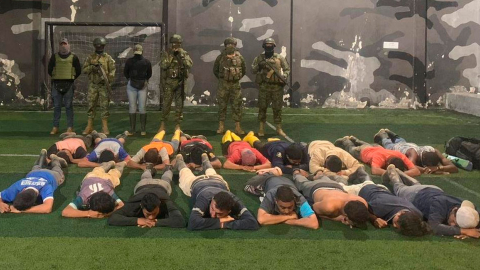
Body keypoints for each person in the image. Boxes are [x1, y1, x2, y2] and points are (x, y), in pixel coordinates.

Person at [382, 164, 479, 238]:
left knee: (416, 185)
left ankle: (400, 172)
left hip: (434, 190)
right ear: (454, 211)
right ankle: (392, 172)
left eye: (456, 225)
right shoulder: (439, 206)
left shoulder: (468, 210)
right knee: (400, 189)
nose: (453, 225)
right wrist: (462, 231)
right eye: (454, 221)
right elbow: (434, 227)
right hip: (416, 195)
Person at [175, 153, 259, 230]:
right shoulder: (205, 198)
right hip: (196, 182)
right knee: (184, 172)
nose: (212, 215)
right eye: (212, 208)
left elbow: (252, 223)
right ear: (212, 200)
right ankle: (180, 160)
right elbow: (192, 224)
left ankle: (205, 159)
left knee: (210, 170)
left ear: (229, 210)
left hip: (217, 180)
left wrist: (223, 224)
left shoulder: (234, 201)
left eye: (219, 214)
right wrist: (220, 222)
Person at [340, 173, 431, 237]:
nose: (394, 226)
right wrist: (374, 218)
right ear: (401, 213)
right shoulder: (380, 207)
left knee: (368, 181)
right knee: (338, 187)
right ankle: (343, 176)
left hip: (382, 190)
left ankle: (362, 173)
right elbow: (360, 208)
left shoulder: (417, 215)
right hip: (362, 191)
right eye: (395, 223)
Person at [108, 165, 185, 228]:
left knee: (166, 179)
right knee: (149, 178)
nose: (151, 218)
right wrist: (138, 220)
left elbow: (180, 221)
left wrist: (156, 222)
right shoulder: (134, 204)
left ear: (159, 204)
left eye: (154, 213)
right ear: (141, 205)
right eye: (148, 214)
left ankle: (165, 169)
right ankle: (153, 169)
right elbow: (112, 218)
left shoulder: (165, 203)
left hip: (161, 185)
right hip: (143, 185)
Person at [291, 168, 371, 228]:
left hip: (335, 185)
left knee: (323, 178)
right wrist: (337, 218)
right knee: (301, 182)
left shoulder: (362, 202)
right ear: (346, 216)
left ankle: (319, 173)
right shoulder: (329, 207)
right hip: (316, 187)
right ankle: (296, 171)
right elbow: (312, 209)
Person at [243, 168, 318, 229]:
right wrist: (289, 216)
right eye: (282, 207)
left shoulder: (298, 198)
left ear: (294, 200)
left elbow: (314, 223)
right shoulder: (271, 195)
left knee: (277, 172)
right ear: (275, 201)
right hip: (265, 180)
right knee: (247, 187)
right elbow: (261, 219)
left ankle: (275, 171)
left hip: (285, 180)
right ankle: (269, 172)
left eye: (290, 207)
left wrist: (291, 221)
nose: (286, 211)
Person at [0, 149, 67, 214]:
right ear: (23, 190)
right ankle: (50, 159)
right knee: (43, 168)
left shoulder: (45, 187)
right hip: (37, 174)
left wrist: (22, 210)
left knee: (58, 171)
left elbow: (47, 208)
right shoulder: (18, 186)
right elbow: (47, 207)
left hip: (44, 174)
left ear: (23, 190)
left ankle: (54, 159)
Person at [374, 128, 458, 174]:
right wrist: (426, 169)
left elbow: (454, 168)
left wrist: (439, 168)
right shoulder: (413, 154)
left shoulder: (434, 150)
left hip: (407, 144)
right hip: (397, 148)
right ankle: (383, 134)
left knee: (401, 140)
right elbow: (410, 166)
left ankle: (392, 134)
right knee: (387, 143)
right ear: (422, 158)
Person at [251, 38, 290, 137]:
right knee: (262, 108)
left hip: (277, 87)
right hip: (264, 86)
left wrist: (284, 77)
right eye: (267, 45)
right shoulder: (259, 58)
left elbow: (286, 69)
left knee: (277, 108)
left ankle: (279, 128)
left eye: (271, 45)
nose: (269, 47)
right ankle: (261, 129)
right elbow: (253, 70)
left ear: (274, 46)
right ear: (264, 47)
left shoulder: (280, 58)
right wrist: (260, 65)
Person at [334, 136, 421, 177]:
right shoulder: (379, 157)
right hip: (363, 151)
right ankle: (346, 140)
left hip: (376, 147)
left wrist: (401, 173)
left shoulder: (400, 155)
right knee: (351, 149)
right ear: (387, 163)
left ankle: (356, 139)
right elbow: (374, 170)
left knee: (368, 145)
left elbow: (416, 171)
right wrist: (391, 173)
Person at [159, 34, 193, 132]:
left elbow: (189, 64)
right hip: (169, 82)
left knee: (179, 105)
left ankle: (177, 125)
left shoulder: (183, 53)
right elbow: (164, 65)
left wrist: (181, 56)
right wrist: (171, 56)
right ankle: (163, 124)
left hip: (180, 82)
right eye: (174, 43)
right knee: (166, 104)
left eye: (178, 43)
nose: (176, 45)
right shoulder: (166, 53)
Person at [82, 37, 116, 135]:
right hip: (93, 85)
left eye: (101, 45)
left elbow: (112, 71)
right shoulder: (90, 57)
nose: (99, 47)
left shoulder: (108, 58)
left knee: (104, 106)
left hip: (103, 86)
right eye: (98, 45)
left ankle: (105, 127)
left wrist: (107, 78)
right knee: (91, 105)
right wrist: (93, 67)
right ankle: (89, 126)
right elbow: (84, 70)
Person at [47, 38, 82, 135]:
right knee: (57, 106)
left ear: (68, 45)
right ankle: (55, 127)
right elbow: (49, 69)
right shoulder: (54, 57)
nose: (63, 46)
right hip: (56, 84)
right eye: (61, 44)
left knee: (68, 106)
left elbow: (78, 70)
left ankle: (70, 127)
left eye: (65, 44)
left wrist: (71, 78)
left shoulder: (74, 57)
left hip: (69, 84)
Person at [213, 37, 246, 135]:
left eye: (232, 44)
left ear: (235, 46)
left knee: (237, 106)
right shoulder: (220, 58)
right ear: (225, 46)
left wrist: (235, 78)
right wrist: (223, 79)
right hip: (223, 85)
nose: (230, 46)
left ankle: (238, 127)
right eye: (228, 44)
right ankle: (221, 126)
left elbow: (244, 70)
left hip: (235, 85)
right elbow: (215, 70)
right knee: (222, 106)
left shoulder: (240, 57)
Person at [243, 132, 309, 175]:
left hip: (282, 143)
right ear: (287, 157)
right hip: (269, 148)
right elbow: (277, 167)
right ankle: (250, 137)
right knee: (258, 145)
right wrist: (295, 170)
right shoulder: (279, 151)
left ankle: (275, 140)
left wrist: (295, 166)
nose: (297, 163)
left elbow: (308, 165)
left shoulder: (301, 150)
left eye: (299, 162)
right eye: (295, 162)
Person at [124, 44, 152, 136]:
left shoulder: (129, 61)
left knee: (134, 107)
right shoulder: (146, 62)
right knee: (141, 107)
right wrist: (145, 80)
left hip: (132, 84)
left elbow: (126, 73)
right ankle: (142, 130)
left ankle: (133, 130)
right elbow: (149, 74)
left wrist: (130, 79)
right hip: (142, 84)